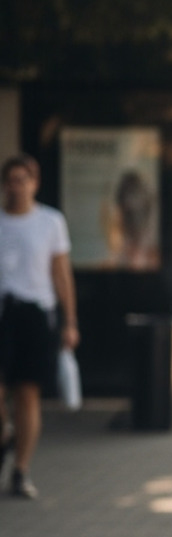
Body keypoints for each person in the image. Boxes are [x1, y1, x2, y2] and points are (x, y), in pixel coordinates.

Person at [0, 154, 78, 499]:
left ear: (35, 183)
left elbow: (61, 274)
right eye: (11, 180)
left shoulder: (50, 222)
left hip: (36, 314)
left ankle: (20, 469)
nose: (17, 186)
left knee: (28, 394)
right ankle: (5, 432)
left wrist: (70, 321)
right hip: (3, 313)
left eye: (23, 179)